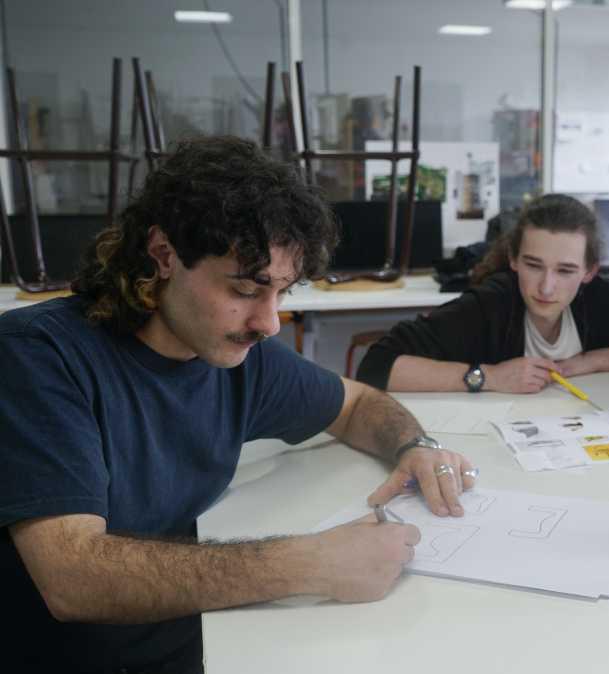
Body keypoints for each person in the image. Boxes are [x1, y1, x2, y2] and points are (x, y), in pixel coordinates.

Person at [0, 136, 476, 673]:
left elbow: (358, 404)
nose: (269, 323)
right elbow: (73, 579)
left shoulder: (239, 357)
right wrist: (310, 562)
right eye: (248, 290)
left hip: (208, 635)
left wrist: (414, 445)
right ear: (164, 255)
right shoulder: (40, 356)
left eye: (283, 292)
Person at [356, 194, 609, 393]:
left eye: (566, 270)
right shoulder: (491, 305)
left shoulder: (600, 299)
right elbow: (376, 366)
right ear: (513, 260)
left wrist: (589, 362)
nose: (546, 287)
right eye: (533, 265)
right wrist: (488, 377)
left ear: (589, 271)